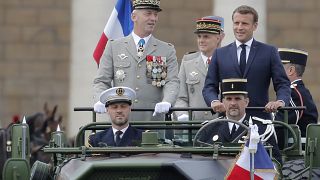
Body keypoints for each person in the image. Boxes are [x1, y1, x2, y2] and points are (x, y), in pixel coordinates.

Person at [93, 0, 179, 122]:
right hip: (122, 121)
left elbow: (172, 82)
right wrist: (100, 99)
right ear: (134, 17)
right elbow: (101, 80)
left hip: (152, 121)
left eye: (155, 14)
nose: (153, 18)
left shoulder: (166, 50)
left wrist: (167, 101)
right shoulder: (114, 47)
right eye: (148, 13)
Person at [202, 5, 291, 120]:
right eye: (236, 23)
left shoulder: (269, 52)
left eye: (244, 23)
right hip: (227, 120)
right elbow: (209, 86)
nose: (239, 27)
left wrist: (280, 101)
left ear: (255, 26)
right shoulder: (220, 54)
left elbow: (283, 83)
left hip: (259, 119)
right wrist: (213, 101)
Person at [199, 78, 282, 164]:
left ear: (246, 102)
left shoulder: (263, 129)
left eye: (237, 98)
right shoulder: (210, 128)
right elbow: (199, 161)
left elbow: (275, 163)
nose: (233, 103)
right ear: (223, 102)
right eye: (229, 99)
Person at [174, 16, 224, 122]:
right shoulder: (188, 62)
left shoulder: (228, 61)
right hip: (194, 126)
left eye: (206, 37)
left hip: (220, 123)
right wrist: (183, 115)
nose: (201, 40)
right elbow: (180, 97)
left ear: (218, 38)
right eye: (199, 36)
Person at [276, 48, 318, 137]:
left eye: (279, 67)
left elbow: (280, 124)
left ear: (291, 70)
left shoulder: (293, 93)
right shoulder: (299, 90)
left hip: (296, 148)